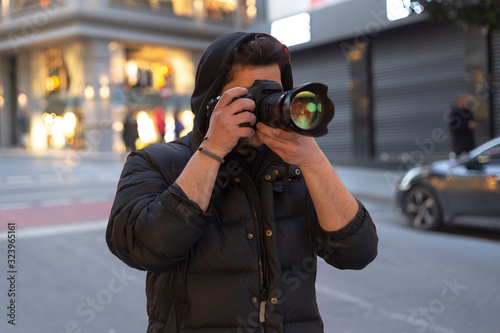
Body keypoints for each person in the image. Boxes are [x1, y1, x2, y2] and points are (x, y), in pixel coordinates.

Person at [106, 32, 378, 333]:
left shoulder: (294, 166)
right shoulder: (156, 162)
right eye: (249, 97)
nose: (264, 106)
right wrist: (212, 150)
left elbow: (358, 252)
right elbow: (143, 248)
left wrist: (313, 162)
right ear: (212, 103)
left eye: (272, 93)